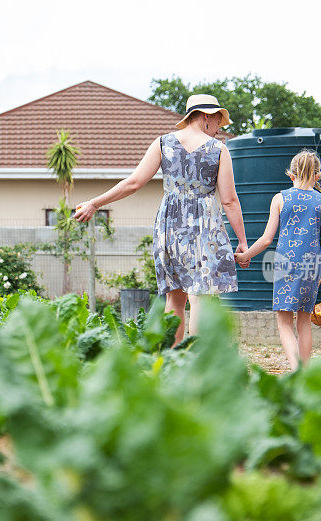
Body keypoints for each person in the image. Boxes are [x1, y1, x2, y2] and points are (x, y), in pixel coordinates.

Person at [74, 94, 249, 345]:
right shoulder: (218, 149)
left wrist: (94, 203)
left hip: (170, 226)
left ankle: (171, 360)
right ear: (206, 117)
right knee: (200, 296)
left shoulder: (163, 143)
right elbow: (230, 200)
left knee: (174, 298)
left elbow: (134, 183)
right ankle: (195, 360)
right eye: (219, 122)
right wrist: (242, 241)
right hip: (204, 228)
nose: (220, 128)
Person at [234, 149, 321, 370]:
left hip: (285, 265)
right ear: (318, 176)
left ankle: (296, 369)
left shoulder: (280, 199)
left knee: (284, 322)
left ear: (291, 175)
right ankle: (306, 373)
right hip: (312, 265)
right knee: (305, 321)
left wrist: (245, 256)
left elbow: (266, 239)